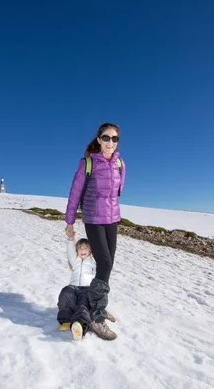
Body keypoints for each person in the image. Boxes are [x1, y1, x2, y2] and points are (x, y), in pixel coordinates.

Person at [64, 123, 125, 340]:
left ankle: (95, 304)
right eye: (106, 138)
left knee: (107, 263)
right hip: (93, 218)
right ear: (98, 139)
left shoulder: (119, 163)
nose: (110, 142)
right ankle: (96, 318)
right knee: (105, 262)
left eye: (114, 139)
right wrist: (70, 222)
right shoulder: (87, 163)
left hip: (112, 219)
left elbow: (117, 192)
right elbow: (74, 193)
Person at [56, 237, 95, 341]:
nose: (83, 250)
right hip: (73, 287)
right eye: (80, 248)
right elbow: (70, 252)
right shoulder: (74, 260)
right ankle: (66, 319)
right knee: (65, 293)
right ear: (76, 250)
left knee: (83, 303)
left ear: (90, 250)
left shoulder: (93, 261)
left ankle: (80, 325)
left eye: (86, 248)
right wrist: (70, 238)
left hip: (87, 288)